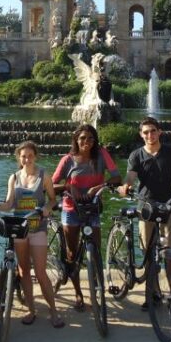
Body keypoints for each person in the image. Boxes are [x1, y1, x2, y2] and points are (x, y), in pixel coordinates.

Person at [117, 117, 171, 309]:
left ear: (159, 132)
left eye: (153, 131)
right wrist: (125, 186)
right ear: (141, 135)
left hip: (169, 207)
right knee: (148, 254)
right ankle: (152, 293)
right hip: (146, 209)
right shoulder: (136, 155)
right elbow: (130, 177)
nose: (149, 135)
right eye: (145, 132)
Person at [0, 141, 65, 328]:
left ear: (35, 156)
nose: (27, 159)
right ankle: (31, 309)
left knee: (40, 272)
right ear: (19, 157)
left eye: (30, 156)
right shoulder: (14, 177)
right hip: (19, 228)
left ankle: (53, 310)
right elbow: (9, 204)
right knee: (23, 270)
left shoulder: (44, 175)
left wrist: (47, 209)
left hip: (38, 227)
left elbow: (52, 199)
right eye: (23, 156)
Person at [52, 124, 120, 311]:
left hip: (92, 208)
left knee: (96, 250)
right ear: (76, 139)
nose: (86, 142)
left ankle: (97, 289)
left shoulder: (101, 154)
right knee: (72, 253)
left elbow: (116, 177)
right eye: (82, 138)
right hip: (71, 208)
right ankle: (78, 293)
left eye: (90, 138)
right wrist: (68, 187)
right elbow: (51, 184)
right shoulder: (68, 160)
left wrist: (99, 187)